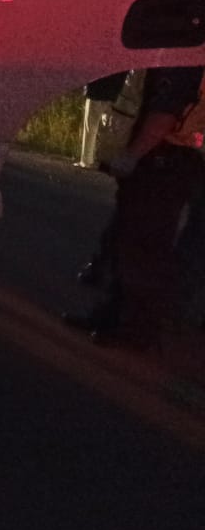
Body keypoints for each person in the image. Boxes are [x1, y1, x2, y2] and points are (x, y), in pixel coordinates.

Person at [66, 65, 205, 359]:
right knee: (129, 243)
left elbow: (165, 113)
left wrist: (132, 155)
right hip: (163, 157)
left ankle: (137, 329)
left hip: (166, 159)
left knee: (145, 248)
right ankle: (114, 317)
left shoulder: (185, 57)